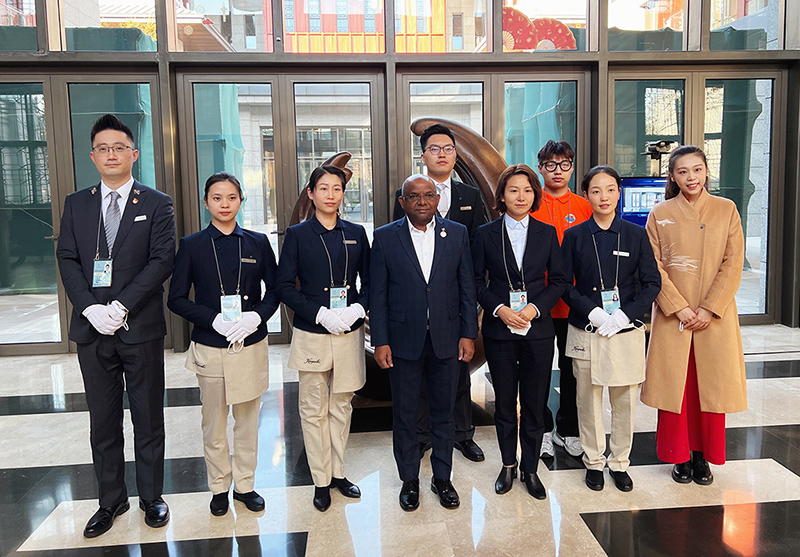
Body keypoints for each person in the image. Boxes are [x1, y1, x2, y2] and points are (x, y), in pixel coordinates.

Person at [56, 114, 175, 538]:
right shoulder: (77, 203)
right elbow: (67, 258)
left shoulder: (156, 203)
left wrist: (122, 305)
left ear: (133, 154)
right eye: (103, 148)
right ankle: (111, 500)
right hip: (93, 331)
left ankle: (152, 497)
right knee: (103, 420)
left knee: (148, 415)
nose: (111, 154)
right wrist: (90, 308)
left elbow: (162, 260)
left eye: (119, 147)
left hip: (139, 326)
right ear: (93, 156)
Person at [167, 172, 279, 516]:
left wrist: (256, 317)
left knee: (247, 421)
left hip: (249, 344)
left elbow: (276, 290)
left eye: (231, 197)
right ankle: (218, 486)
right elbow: (176, 298)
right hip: (210, 346)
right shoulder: (192, 244)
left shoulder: (258, 242)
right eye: (217, 198)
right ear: (206, 203)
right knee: (213, 422)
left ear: (241, 201)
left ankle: (245, 485)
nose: (225, 204)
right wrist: (212, 319)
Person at [372, 174, 478, 511]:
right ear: (402, 202)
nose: (422, 202)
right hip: (403, 340)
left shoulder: (457, 234)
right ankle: (409, 480)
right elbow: (378, 295)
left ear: (437, 200)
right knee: (405, 414)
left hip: (447, 338)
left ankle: (442, 478)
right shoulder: (385, 237)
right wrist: (380, 341)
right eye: (414, 196)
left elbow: (467, 289)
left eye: (428, 195)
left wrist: (468, 334)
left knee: (444, 413)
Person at [642, 146, 747, 486]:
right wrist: (679, 307)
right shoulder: (660, 213)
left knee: (709, 387)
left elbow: (734, 262)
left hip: (714, 316)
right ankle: (679, 455)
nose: (691, 177)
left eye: (697, 169)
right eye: (683, 171)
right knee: (676, 388)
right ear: (672, 176)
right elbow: (652, 266)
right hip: (675, 316)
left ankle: (703, 456)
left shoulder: (726, 209)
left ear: (706, 172)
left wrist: (708, 308)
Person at [276, 165, 370, 512]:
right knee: (313, 408)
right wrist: (320, 313)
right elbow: (284, 286)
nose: (331, 195)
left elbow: (371, 282)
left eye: (337, 189)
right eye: (324, 188)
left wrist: (356, 309)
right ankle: (320, 479)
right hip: (312, 332)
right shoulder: (298, 235)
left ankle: (338, 472)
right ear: (311, 193)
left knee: (342, 405)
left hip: (348, 331)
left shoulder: (356, 233)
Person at [561, 166, 661, 492]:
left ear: (619, 193)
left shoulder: (636, 234)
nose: (603, 197)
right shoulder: (575, 236)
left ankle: (619, 462)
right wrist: (592, 311)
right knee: (587, 400)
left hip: (625, 329)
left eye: (610, 190)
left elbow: (652, 283)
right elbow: (564, 283)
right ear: (586, 195)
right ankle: (593, 461)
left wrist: (624, 314)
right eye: (595, 191)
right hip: (586, 328)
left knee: (624, 401)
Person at [393, 123, 488, 463]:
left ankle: (462, 434)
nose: (442, 154)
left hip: (456, 298)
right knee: (420, 372)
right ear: (424, 155)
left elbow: (476, 248)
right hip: (418, 302)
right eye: (434, 149)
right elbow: (399, 245)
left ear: (455, 154)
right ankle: (422, 436)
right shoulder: (407, 192)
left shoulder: (470, 195)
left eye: (448, 148)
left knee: (458, 369)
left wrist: (472, 297)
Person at [472, 164, 566, 499]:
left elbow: (559, 280)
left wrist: (534, 308)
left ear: (535, 195)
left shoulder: (547, 232)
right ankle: (508, 464)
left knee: (534, 402)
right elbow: (475, 281)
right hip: (499, 330)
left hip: (537, 329)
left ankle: (531, 468)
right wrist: (500, 308)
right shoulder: (485, 233)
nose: (521, 196)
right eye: (513, 190)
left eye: (527, 190)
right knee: (504, 403)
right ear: (502, 195)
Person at [530, 140, 593, 459]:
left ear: (572, 167)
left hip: (574, 305)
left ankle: (568, 428)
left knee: (573, 370)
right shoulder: (530, 204)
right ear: (540, 168)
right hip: (538, 304)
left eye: (564, 164)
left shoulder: (585, 206)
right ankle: (541, 428)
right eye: (551, 165)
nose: (558, 171)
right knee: (538, 369)